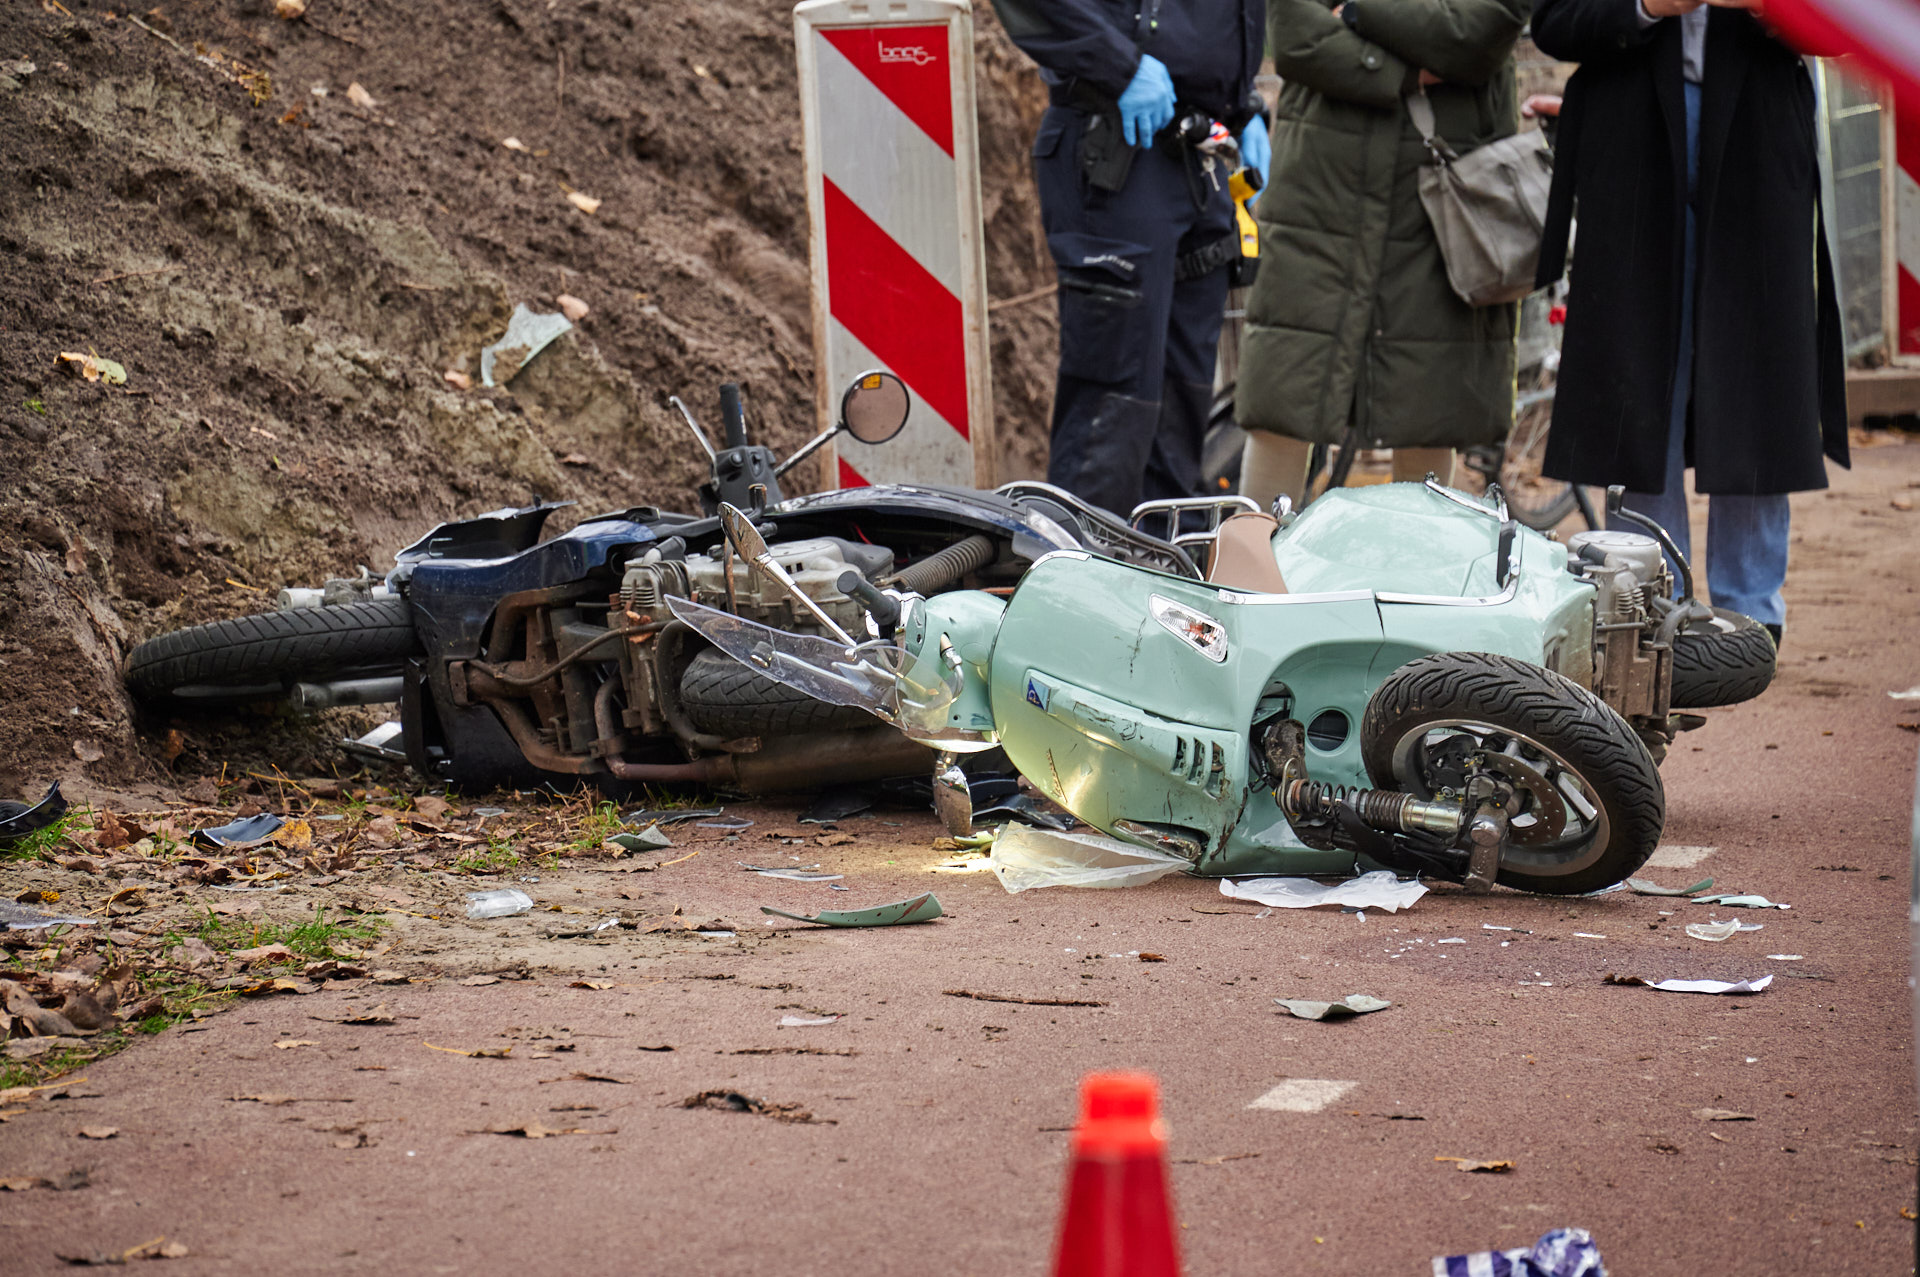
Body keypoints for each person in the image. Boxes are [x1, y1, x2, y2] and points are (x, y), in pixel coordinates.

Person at [1531, 0, 1849, 644]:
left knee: (1757, 365)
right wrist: (1649, 6)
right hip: (1630, 141)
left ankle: (1750, 613)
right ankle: (1652, 598)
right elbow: (1554, 22)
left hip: (1758, 136)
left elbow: (1845, 26)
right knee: (1639, 370)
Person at [1236, 0, 1530, 513]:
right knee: (1285, 393)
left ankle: (1421, 586)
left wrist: (1355, 11)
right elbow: (1297, 37)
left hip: (1449, 194)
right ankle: (1242, 581)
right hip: (1320, 191)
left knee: (1431, 404)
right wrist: (1410, 71)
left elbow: (1478, 34)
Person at [992, 0, 1270, 516]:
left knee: (1180, 397)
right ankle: (1084, 575)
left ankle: (1163, 570)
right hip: (1118, 142)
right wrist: (1122, 66)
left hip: (1201, 152)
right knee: (1114, 400)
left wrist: (1246, 107)